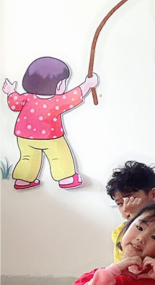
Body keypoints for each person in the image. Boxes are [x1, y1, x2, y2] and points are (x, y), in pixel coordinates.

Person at [4, 56, 97, 190]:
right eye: (64, 82)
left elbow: (14, 104)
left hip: (24, 137)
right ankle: (66, 178)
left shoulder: (26, 98)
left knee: (27, 158)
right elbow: (74, 96)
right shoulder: (56, 101)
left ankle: (23, 180)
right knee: (59, 156)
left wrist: (10, 91)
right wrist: (88, 84)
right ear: (58, 85)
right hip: (50, 138)